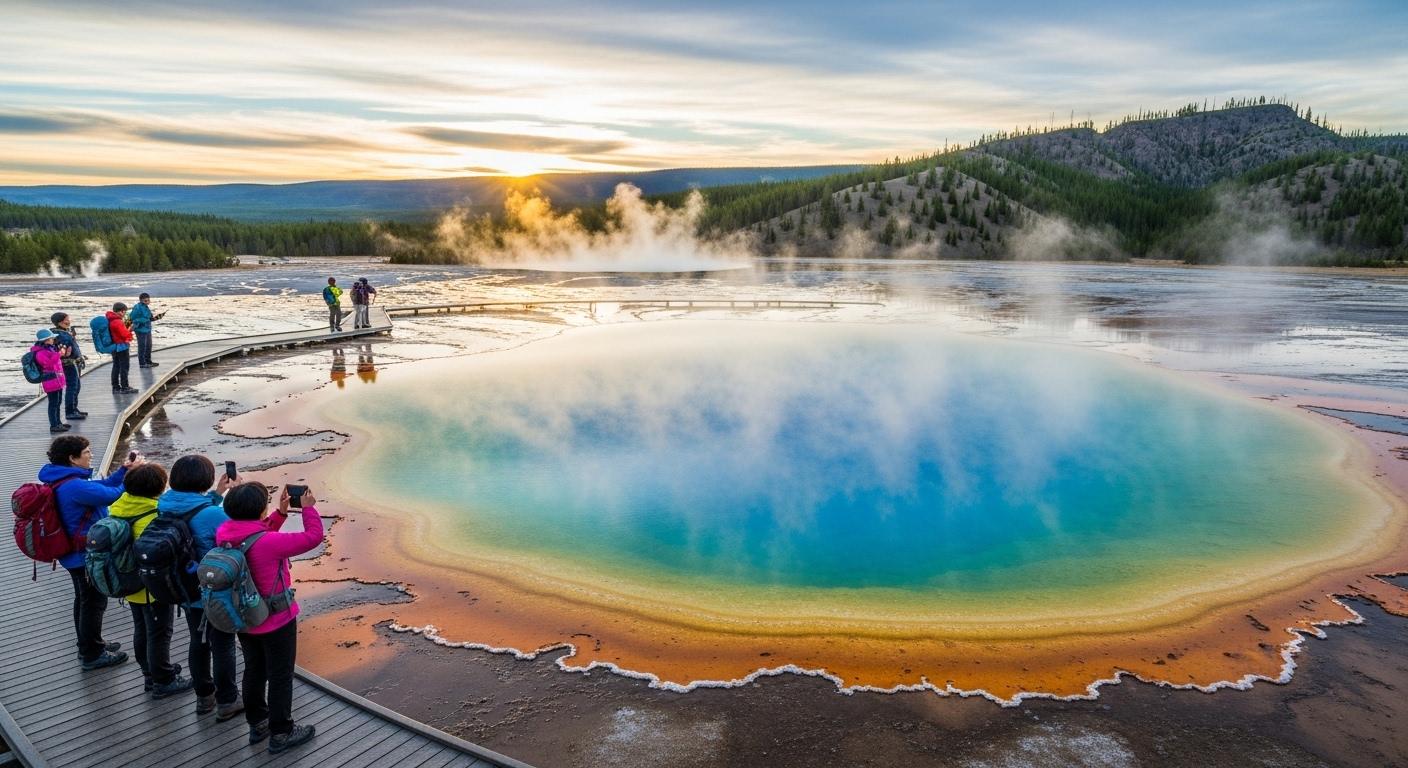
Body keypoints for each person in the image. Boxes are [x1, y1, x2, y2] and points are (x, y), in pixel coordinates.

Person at [217, 483, 322, 753]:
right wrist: (309, 509)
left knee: (254, 669)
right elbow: (312, 537)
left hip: (244, 616)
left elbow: (256, 538)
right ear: (259, 509)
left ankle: (258, 724)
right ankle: (282, 732)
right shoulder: (270, 543)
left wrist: (280, 514)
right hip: (276, 619)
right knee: (280, 674)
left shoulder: (225, 534)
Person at [159, 454, 248, 719]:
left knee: (198, 642)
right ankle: (228, 700)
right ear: (204, 479)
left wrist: (217, 494)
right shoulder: (212, 514)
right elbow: (238, 533)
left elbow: (193, 510)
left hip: (183, 588)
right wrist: (237, 494)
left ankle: (204, 697)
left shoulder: (165, 504)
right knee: (222, 644)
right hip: (213, 591)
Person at [39, 435, 134, 670]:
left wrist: (123, 470)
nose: (91, 455)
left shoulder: (64, 479)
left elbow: (103, 487)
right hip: (83, 556)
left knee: (84, 600)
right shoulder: (74, 486)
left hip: (73, 554)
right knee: (93, 602)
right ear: (72, 458)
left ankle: (90, 643)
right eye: (87, 452)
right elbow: (112, 494)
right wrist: (131, 478)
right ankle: (92, 654)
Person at [109, 463, 194, 698]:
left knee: (142, 628)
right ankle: (163, 680)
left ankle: (150, 672)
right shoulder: (152, 515)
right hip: (152, 587)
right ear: (159, 487)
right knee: (159, 632)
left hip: (129, 583)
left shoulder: (118, 507)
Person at [50, 312, 87, 422]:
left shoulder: (60, 333)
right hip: (69, 364)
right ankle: (70, 412)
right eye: (67, 319)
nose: (69, 321)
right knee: (72, 387)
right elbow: (67, 350)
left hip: (72, 363)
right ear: (60, 322)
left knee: (76, 386)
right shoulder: (62, 335)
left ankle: (74, 409)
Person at [31, 329, 68, 432]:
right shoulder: (40, 352)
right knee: (53, 404)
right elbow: (48, 364)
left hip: (57, 380)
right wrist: (59, 354)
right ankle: (53, 425)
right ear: (46, 340)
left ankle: (59, 423)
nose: (53, 339)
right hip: (50, 381)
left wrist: (59, 353)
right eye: (52, 338)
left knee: (58, 402)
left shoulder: (50, 349)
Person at [107, 302, 136, 394]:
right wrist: (130, 330)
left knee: (116, 366)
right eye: (124, 312)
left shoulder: (110, 320)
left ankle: (115, 387)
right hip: (121, 346)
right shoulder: (117, 321)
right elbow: (124, 334)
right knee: (124, 367)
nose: (124, 314)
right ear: (120, 311)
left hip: (114, 346)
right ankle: (125, 386)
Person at [129, 292, 163, 368]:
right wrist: (144, 320)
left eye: (148, 300)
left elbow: (149, 318)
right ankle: (142, 363)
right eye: (145, 301)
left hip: (147, 329)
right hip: (140, 330)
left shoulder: (146, 307)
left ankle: (148, 361)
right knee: (142, 346)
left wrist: (156, 318)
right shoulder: (137, 307)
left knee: (148, 346)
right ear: (141, 300)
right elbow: (133, 318)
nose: (147, 302)